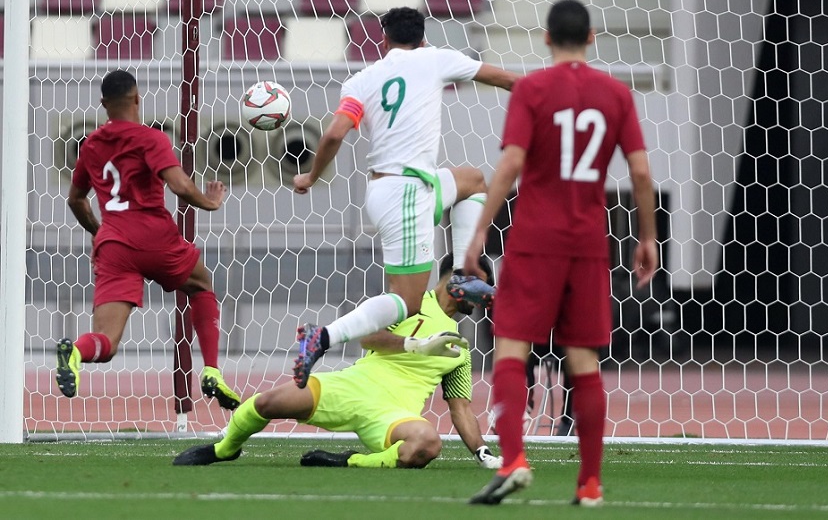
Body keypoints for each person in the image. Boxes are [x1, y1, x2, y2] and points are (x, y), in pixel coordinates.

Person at [463, 0, 658, 506]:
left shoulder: (532, 89)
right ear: (591, 38)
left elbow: (509, 164)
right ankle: (590, 484)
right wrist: (648, 236)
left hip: (534, 241)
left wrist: (481, 229)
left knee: (510, 348)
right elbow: (640, 173)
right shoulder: (616, 94)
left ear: (546, 38)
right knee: (584, 360)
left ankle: (514, 460)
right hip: (589, 244)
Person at [290, 6, 519, 387]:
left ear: (384, 39)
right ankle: (323, 337)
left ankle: (462, 275)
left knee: (473, 181)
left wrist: (311, 176)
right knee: (407, 302)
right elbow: (504, 78)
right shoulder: (436, 58)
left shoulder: (363, 79)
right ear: (423, 37)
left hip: (391, 189)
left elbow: (333, 135)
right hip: (407, 196)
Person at [173, 254, 503, 471]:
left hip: (393, 414)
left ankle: (350, 462)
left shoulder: (459, 349)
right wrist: (416, 345)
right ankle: (224, 449)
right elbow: (368, 337)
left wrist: (481, 452)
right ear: (457, 277)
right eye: (481, 282)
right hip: (352, 386)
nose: (485, 293)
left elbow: (461, 409)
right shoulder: (409, 303)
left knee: (426, 444)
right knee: (268, 402)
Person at [56, 69, 241, 411]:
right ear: (137, 98)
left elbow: (75, 200)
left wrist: (103, 234)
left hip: (114, 245)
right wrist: (211, 202)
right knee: (201, 285)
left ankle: (77, 352)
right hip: (155, 236)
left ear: (103, 104)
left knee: (107, 343)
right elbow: (179, 185)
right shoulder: (150, 138)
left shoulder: (91, 144)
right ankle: (212, 370)